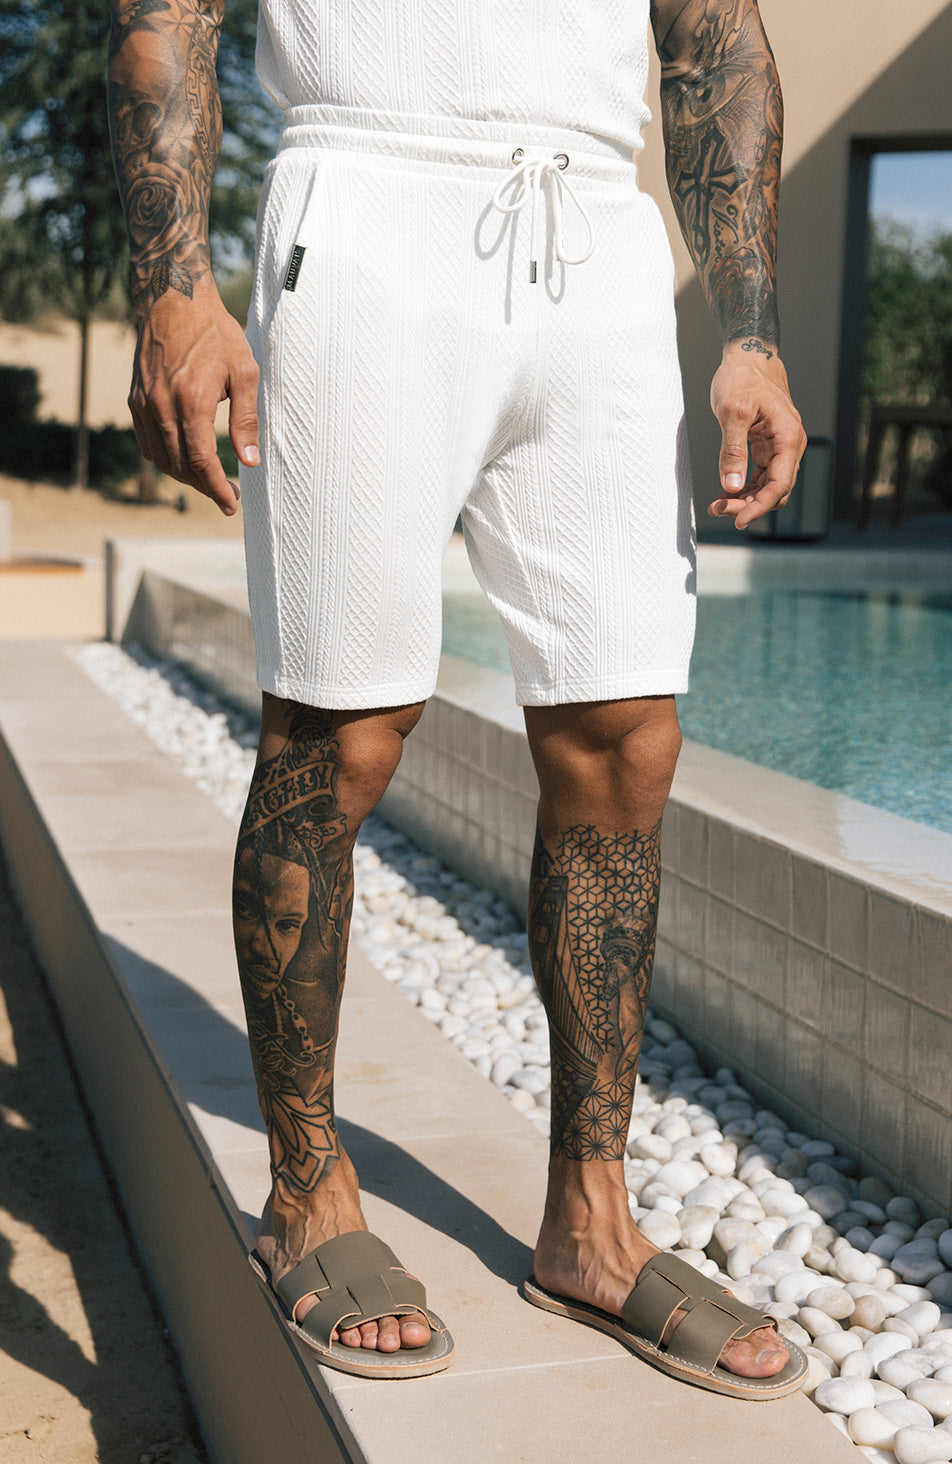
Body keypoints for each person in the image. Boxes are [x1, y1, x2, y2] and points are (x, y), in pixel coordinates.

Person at [108, 0, 809, 1395]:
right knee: (339, 733)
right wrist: (173, 286)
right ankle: (306, 1188)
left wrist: (753, 327)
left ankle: (591, 1222)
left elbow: (714, 38)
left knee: (625, 736)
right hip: (365, 208)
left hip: (599, 242)